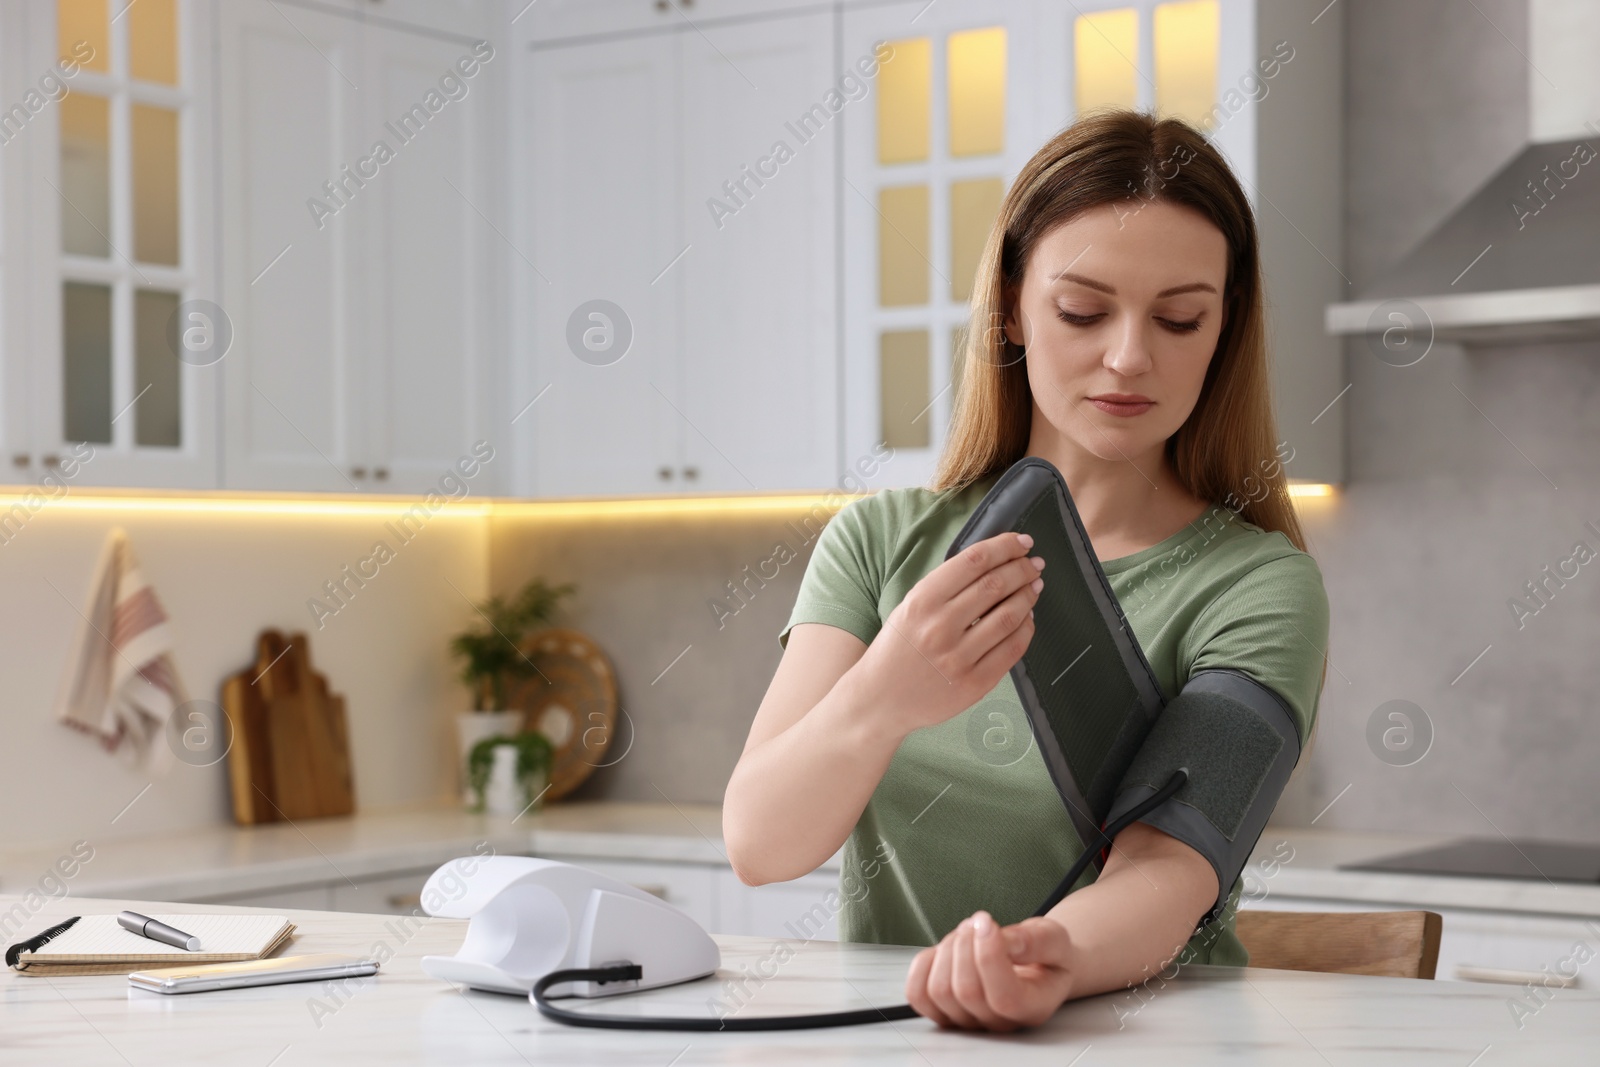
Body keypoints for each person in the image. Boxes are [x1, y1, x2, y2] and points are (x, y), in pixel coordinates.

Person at [722, 108, 1330, 1032]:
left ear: (1224, 329)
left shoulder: (1257, 586)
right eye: (1082, 310)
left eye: (1179, 317)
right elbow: (761, 844)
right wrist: (887, 691)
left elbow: (1170, 864)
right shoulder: (881, 542)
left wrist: (1048, 958)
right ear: (1009, 303)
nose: (1130, 355)